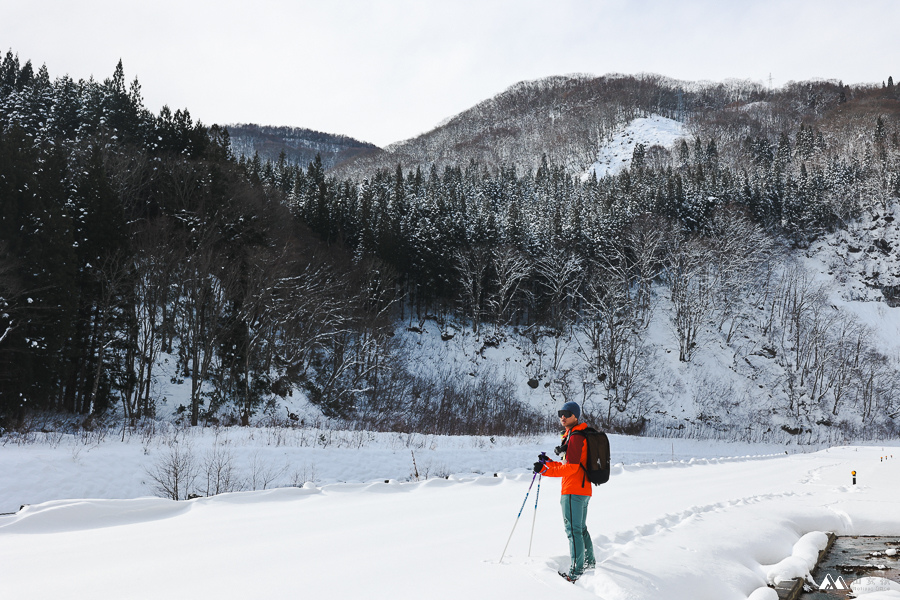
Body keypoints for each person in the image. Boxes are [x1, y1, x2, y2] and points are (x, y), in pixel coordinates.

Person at [533, 401, 596, 582]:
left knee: (573, 531)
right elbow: (567, 464)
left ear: (575, 416)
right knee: (580, 529)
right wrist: (549, 462)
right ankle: (589, 563)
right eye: (561, 413)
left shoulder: (576, 437)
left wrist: (545, 471)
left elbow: (572, 468)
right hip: (583, 490)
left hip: (573, 491)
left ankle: (575, 572)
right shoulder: (576, 435)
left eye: (567, 413)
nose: (563, 416)